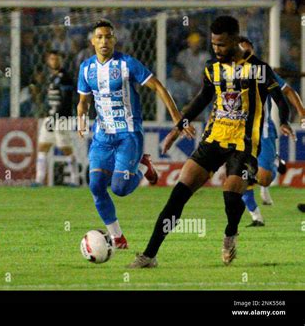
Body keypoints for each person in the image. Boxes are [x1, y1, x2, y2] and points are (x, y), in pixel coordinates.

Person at [128, 16, 294, 268]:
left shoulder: (259, 69)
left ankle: (230, 233)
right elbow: (202, 99)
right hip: (213, 139)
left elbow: (280, 98)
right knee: (178, 196)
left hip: (244, 145)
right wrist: (178, 127)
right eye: (214, 44)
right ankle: (149, 256)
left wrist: (284, 120)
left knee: (230, 195)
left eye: (222, 45)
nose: (216, 50)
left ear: (237, 41)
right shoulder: (212, 68)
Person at [77, 19, 193, 249]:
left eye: (108, 36)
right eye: (99, 37)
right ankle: (118, 237)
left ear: (114, 40)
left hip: (128, 134)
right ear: (92, 41)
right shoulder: (86, 68)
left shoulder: (127, 63)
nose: (104, 41)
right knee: (96, 185)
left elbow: (158, 86)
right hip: (102, 136)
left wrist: (177, 118)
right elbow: (83, 101)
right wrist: (81, 118)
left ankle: (143, 166)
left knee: (119, 189)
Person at [238, 37, 305, 225]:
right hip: (235, 132)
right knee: (237, 177)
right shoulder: (224, 71)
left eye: (248, 51)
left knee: (264, 179)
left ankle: (273, 162)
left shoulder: (262, 71)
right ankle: (256, 216)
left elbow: (287, 92)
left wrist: (301, 113)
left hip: (263, 130)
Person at [31, 50, 77, 187]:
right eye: (52, 59)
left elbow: (67, 100)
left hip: (61, 118)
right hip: (49, 118)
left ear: (61, 61)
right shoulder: (49, 77)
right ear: (48, 61)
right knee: (42, 146)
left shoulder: (65, 77)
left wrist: (58, 117)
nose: (54, 62)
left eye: (57, 59)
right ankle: (39, 180)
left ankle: (74, 179)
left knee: (65, 148)